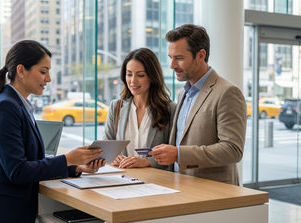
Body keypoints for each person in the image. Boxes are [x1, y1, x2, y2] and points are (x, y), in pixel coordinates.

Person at [0, 40, 104, 223]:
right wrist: (68, 158)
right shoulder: (6, 107)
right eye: (43, 71)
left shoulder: (18, 105)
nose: (49, 79)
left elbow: (31, 161)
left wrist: (76, 167)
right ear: (21, 71)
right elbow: (18, 171)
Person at [149, 24, 246, 185]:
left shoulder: (227, 92)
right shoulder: (182, 94)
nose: (172, 65)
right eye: (170, 58)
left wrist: (179, 154)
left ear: (201, 55)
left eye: (179, 58)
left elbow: (232, 150)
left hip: (214, 194)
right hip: (182, 189)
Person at [103, 48, 176, 169]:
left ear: (152, 77)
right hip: (122, 180)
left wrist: (147, 161)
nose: (133, 81)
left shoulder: (169, 109)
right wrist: (113, 156)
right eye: (129, 74)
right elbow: (105, 146)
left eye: (140, 75)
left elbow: (173, 154)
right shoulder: (116, 107)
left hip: (156, 183)